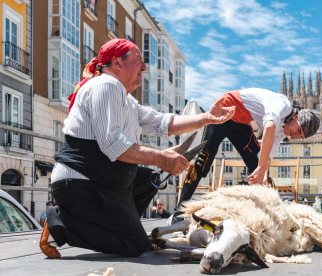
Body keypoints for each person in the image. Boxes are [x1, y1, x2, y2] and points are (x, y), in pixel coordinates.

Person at [39, 39, 236, 259]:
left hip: (102, 181)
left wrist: (207, 118)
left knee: (150, 179)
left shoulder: (125, 99)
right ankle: (60, 222)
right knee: (134, 244)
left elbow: (162, 122)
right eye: (138, 61)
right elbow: (113, 143)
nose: (144, 67)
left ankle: (117, 227)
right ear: (117, 63)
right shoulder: (106, 85)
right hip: (80, 184)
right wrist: (161, 157)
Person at [172, 88, 320, 222]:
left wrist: (262, 170)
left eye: (300, 137)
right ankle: (178, 212)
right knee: (203, 162)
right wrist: (262, 167)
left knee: (258, 168)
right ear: (295, 118)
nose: (295, 136)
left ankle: (260, 216)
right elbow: (268, 127)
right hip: (224, 111)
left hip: (240, 123)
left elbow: (267, 153)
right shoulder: (283, 105)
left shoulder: (282, 130)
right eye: (298, 130)